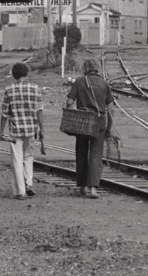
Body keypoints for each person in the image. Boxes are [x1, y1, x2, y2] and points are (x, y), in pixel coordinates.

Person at [65, 58, 114, 199]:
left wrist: (78, 113)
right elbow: (110, 109)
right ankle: (93, 189)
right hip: (99, 123)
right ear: (97, 69)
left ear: (84, 68)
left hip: (83, 122)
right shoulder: (104, 84)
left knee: (81, 152)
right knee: (96, 155)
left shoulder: (79, 82)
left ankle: (82, 187)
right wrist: (109, 127)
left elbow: (69, 102)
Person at [0, 63, 45, 200]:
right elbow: (39, 111)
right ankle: (29, 183)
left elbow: (5, 113)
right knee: (29, 157)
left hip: (15, 131)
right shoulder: (35, 88)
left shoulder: (9, 89)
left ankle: (21, 191)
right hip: (31, 130)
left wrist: (1, 131)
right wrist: (42, 130)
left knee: (17, 160)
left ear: (14, 74)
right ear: (27, 73)